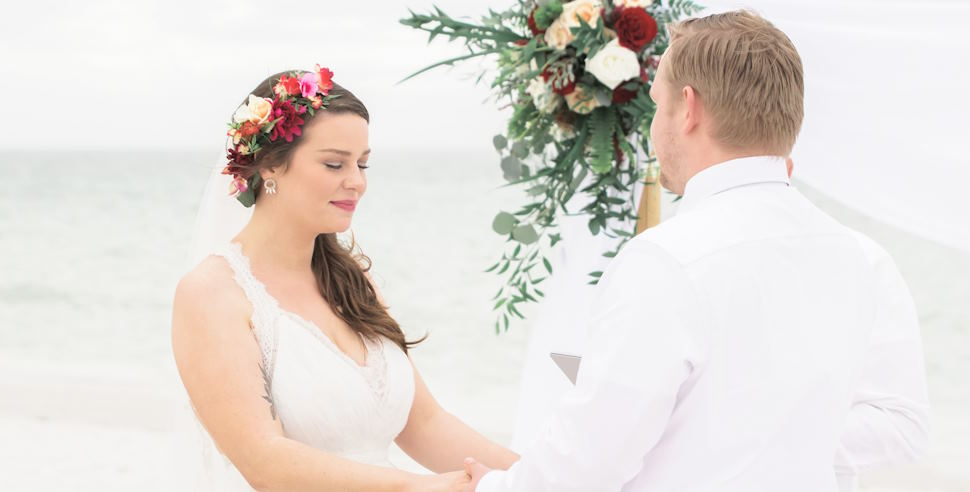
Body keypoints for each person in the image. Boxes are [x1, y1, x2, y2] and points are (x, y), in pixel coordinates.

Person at [463, 11, 929, 492]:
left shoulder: (666, 261)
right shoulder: (861, 257)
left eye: (657, 102)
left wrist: (492, 486)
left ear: (688, 108)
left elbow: (587, 466)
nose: (653, 127)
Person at [171, 66, 517, 491]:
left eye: (363, 164)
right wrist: (422, 487)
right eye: (335, 163)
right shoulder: (212, 294)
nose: (356, 182)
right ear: (272, 166)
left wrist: (542, 476)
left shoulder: (354, 283)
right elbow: (264, 460)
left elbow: (425, 424)